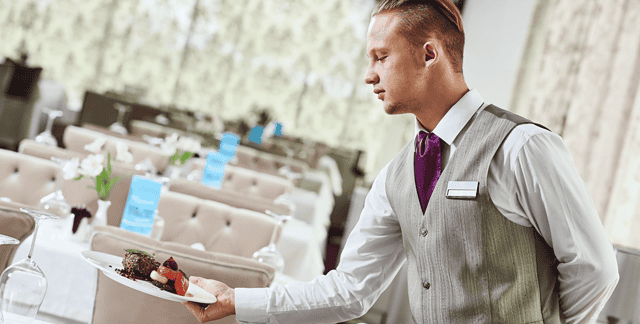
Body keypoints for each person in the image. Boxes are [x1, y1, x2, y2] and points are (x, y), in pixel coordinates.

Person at [183, 0, 619, 323]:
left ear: (429, 55)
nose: (369, 75)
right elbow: (350, 290)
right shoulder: (396, 176)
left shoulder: (521, 147)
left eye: (380, 57)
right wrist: (238, 301)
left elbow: (594, 271)